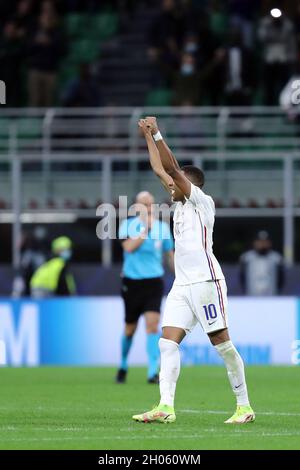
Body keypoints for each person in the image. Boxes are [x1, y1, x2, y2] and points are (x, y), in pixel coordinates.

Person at [132, 116, 255, 424]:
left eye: (177, 183)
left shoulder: (202, 201)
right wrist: (147, 136)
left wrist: (158, 131)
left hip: (206, 281)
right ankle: (165, 407)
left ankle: (244, 406)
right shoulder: (179, 205)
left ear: (191, 184)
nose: (170, 185)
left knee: (223, 344)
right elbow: (160, 169)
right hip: (182, 285)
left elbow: (171, 169)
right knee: (167, 342)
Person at [117, 191, 174, 384]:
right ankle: (123, 364)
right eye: (143, 204)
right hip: (132, 283)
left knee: (152, 326)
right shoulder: (127, 225)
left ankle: (152, 370)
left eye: (150, 204)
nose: (148, 208)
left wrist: (180, 275)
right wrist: (145, 230)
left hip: (153, 282)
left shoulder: (163, 228)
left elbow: (169, 255)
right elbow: (128, 247)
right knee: (129, 329)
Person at [240, 231, 285, 296]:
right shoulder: (247, 258)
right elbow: (242, 279)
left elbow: (280, 280)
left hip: (271, 297)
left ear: (270, 243)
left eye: (265, 242)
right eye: (260, 241)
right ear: (255, 243)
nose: (262, 244)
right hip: (251, 297)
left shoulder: (276, 258)